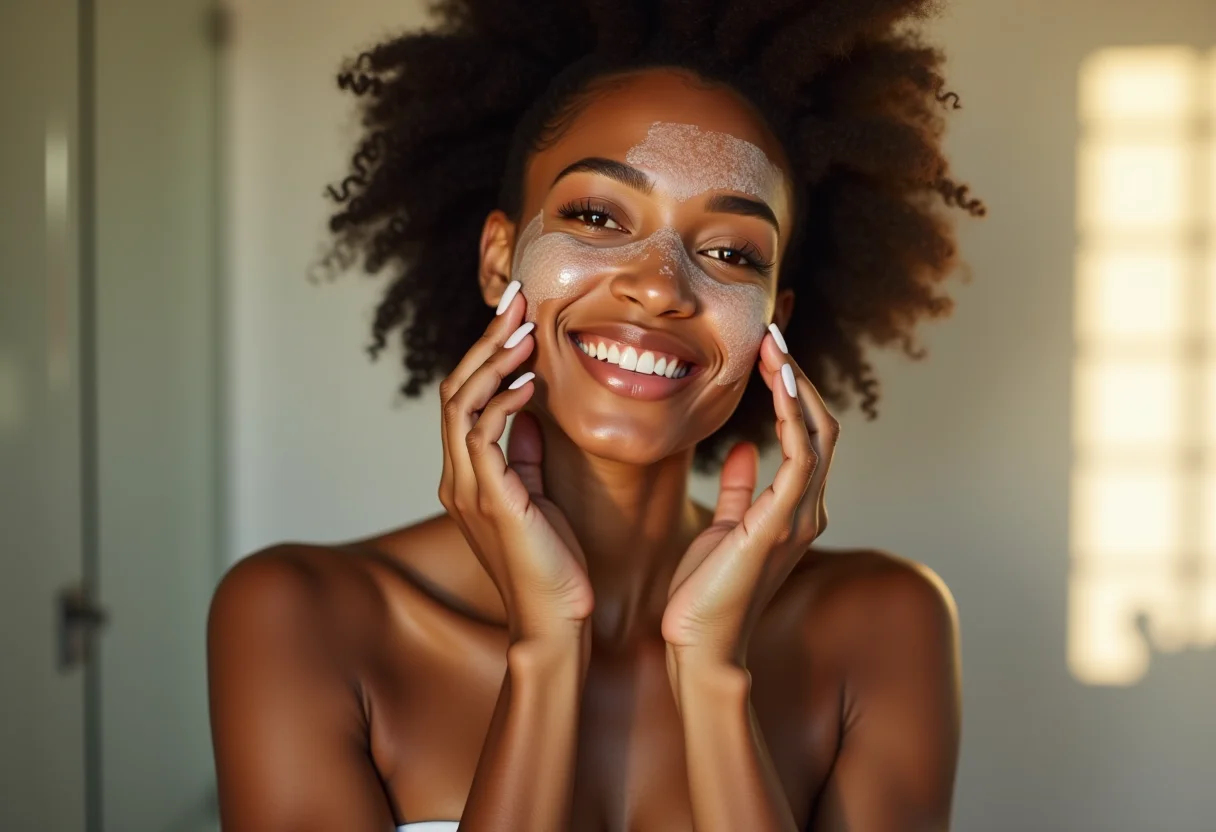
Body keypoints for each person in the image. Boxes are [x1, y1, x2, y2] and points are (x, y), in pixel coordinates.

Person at [207, 1, 985, 829]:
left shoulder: (882, 623)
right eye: (598, 217)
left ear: (773, 318)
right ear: (498, 257)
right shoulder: (299, 616)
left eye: (730, 252)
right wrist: (544, 653)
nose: (659, 286)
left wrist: (713, 676)